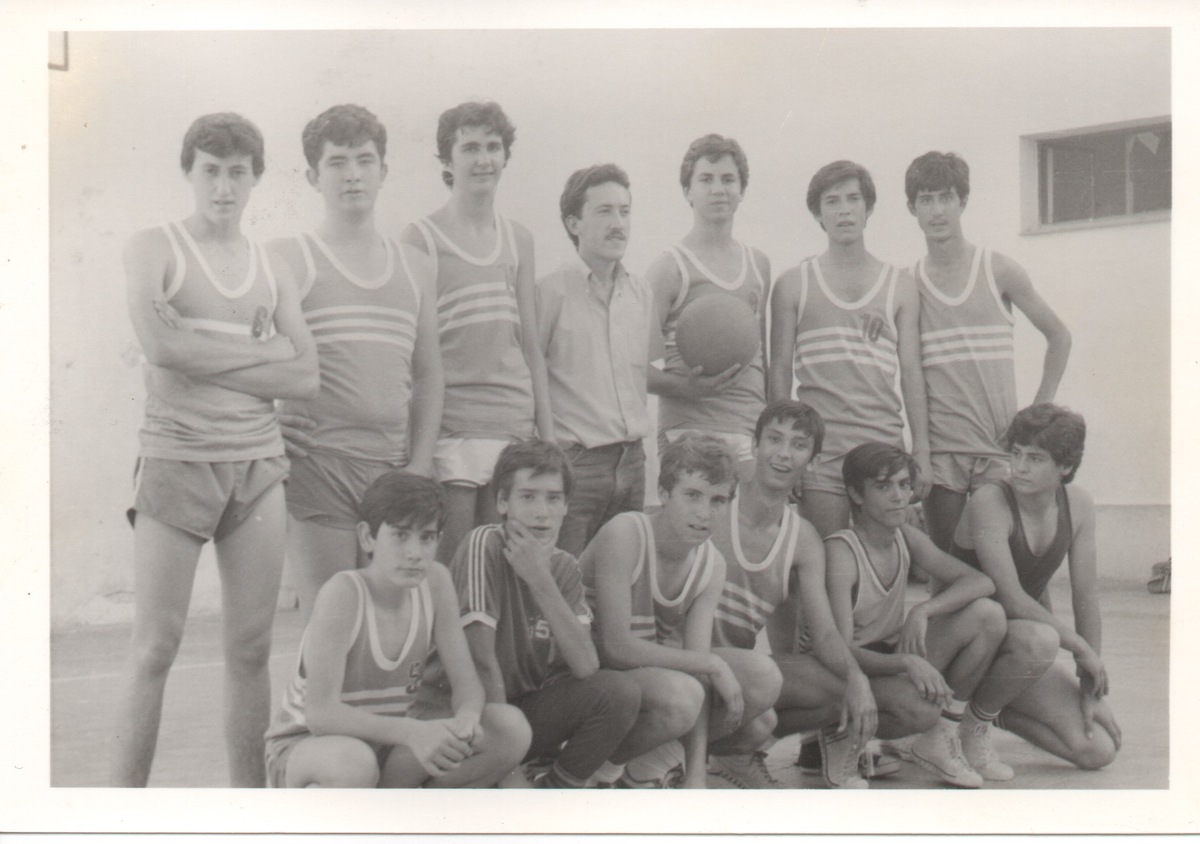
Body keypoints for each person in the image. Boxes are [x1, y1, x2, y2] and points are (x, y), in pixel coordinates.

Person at [111, 113, 320, 787]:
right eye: (211, 171)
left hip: (256, 467)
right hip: (177, 459)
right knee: (155, 647)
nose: (224, 187)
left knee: (251, 648)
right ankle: (119, 813)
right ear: (188, 172)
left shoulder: (273, 265)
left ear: (256, 178)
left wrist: (196, 353)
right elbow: (159, 347)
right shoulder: (154, 247)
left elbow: (305, 377)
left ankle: (247, 811)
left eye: (237, 173)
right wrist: (264, 352)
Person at [273, 104, 443, 622]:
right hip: (319, 464)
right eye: (337, 162)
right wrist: (265, 421)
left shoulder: (415, 266)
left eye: (365, 160)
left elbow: (429, 373)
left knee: (389, 622)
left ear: (383, 171)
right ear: (312, 176)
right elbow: (249, 354)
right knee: (328, 618)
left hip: (392, 468)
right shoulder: (288, 257)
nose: (353, 174)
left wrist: (419, 465)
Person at [263, 471, 531, 787]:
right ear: (367, 537)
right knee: (354, 763)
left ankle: (404, 810)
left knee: (509, 728)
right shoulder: (343, 594)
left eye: (426, 537)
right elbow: (321, 715)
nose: (414, 553)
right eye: (400, 535)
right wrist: (414, 732)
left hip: (387, 743)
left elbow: (467, 685)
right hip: (311, 748)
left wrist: (466, 720)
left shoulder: (435, 582)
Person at [829, 442, 1056, 788]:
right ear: (856, 494)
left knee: (988, 615)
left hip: (887, 662)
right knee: (920, 707)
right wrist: (907, 662)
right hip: (848, 677)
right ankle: (843, 740)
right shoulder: (842, 551)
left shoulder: (905, 536)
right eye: (883, 486)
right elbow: (838, 651)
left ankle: (941, 736)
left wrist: (924, 610)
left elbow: (981, 582)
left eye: (904, 485)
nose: (898, 496)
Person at [580, 434, 782, 788]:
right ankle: (595, 774)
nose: (704, 513)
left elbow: (698, 670)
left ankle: (642, 773)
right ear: (663, 492)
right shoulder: (626, 533)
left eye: (718, 500)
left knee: (763, 679)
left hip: (638, 679)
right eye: (692, 495)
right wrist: (712, 664)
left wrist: (696, 774)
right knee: (682, 696)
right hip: (582, 677)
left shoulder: (711, 565)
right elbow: (616, 648)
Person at [399, 101, 553, 563]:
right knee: (455, 566)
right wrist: (420, 451)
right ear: (447, 161)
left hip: (513, 426)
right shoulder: (421, 239)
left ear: (505, 155)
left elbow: (531, 347)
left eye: (493, 146)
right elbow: (417, 359)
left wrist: (547, 439)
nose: (484, 159)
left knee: (501, 570)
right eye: (470, 148)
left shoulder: (519, 239)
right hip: (454, 429)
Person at [708, 400, 890, 789]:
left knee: (838, 688)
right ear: (754, 444)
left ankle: (732, 755)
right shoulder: (716, 502)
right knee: (763, 687)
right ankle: (676, 755)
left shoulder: (803, 539)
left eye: (799, 445)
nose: (783, 454)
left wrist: (857, 678)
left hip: (739, 671)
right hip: (685, 660)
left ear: (813, 460)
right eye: (774, 439)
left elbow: (824, 633)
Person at [452, 440, 650, 788]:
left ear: (566, 506)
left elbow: (585, 665)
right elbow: (480, 661)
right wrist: (508, 766)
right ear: (502, 502)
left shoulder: (564, 567)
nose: (542, 512)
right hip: (468, 713)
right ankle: (505, 779)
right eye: (528, 497)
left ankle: (556, 792)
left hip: (522, 709)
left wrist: (540, 580)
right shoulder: (484, 544)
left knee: (619, 692)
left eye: (554, 498)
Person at [905, 151, 1072, 552]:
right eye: (926, 200)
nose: (937, 210)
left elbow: (1059, 336)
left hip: (998, 450)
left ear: (963, 201)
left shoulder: (999, 269)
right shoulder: (907, 284)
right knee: (949, 566)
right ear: (912, 208)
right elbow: (907, 367)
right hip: (942, 452)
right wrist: (921, 449)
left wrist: (1037, 413)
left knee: (1006, 565)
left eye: (946, 197)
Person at [949, 404, 1120, 770]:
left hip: (1015, 651)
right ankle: (972, 727)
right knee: (1042, 638)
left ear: (1065, 467)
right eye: (1016, 453)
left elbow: (1086, 597)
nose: (1020, 467)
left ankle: (980, 713)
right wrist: (1080, 648)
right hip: (964, 644)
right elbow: (1011, 598)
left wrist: (1090, 686)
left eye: (1036, 458)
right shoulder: (990, 499)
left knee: (1097, 751)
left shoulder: (1078, 505)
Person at [768, 161, 931, 540]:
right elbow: (779, 371)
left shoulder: (900, 285)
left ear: (868, 207)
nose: (844, 210)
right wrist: (788, 454)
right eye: (832, 201)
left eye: (853, 199)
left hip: (882, 448)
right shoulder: (793, 285)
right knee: (827, 560)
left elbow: (912, 373)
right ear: (817, 213)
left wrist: (921, 450)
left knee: (883, 562)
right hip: (821, 453)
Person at [536, 164, 653, 556]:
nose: (618, 223)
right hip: (576, 465)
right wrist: (550, 456)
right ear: (574, 223)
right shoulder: (548, 292)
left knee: (621, 579)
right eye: (604, 211)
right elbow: (529, 377)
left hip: (633, 462)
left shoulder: (641, 293)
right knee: (565, 579)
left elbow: (641, 375)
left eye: (624, 211)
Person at [648, 134, 770, 471]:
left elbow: (761, 356)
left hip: (748, 427)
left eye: (728, 179)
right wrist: (687, 388)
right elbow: (633, 368)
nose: (718, 189)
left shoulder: (758, 265)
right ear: (688, 191)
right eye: (706, 179)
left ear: (742, 190)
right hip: (688, 431)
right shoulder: (669, 268)